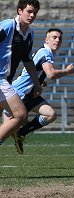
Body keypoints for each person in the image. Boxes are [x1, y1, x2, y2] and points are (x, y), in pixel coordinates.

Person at [11, 28, 74, 155]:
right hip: (18, 93)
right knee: (6, 129)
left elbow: (35, 71)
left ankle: (21, 133)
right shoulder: (45, 52)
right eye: (54, 37)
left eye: (60, 38)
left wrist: (40, 82)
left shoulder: (46, 53)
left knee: (50, 114)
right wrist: (67, 71)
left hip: (31, 95)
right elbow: (51, 74)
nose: (57, 40)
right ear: (46, 39)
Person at [0, 0, 42, 146]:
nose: (32, 15)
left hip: (5, 80)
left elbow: (28, 61)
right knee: (20, 114)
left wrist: (37, 84)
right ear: (19, 10)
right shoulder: (7, 26)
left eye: (34, 13)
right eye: (29, 11)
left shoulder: (30, 34)